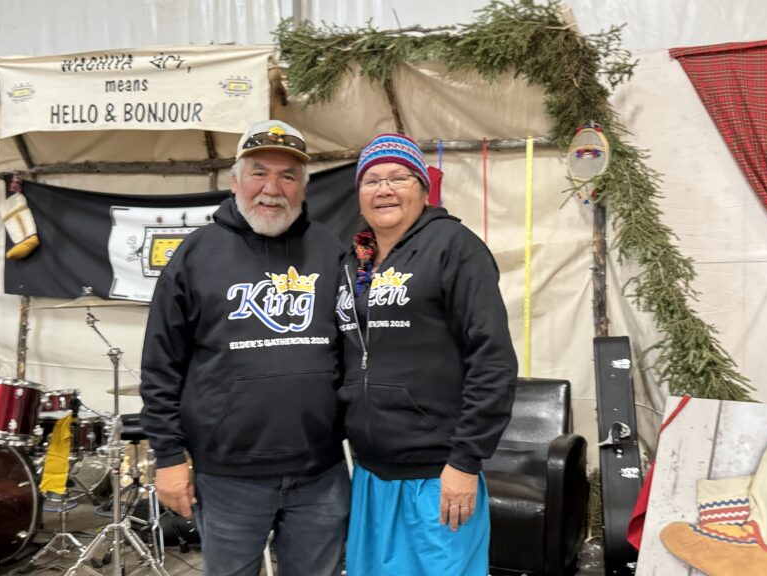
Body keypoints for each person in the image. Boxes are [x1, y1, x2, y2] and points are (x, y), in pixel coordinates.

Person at [141, 120, 350, 576]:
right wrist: (169, 459)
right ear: (235, 180)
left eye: (288, 176)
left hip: (321, 474)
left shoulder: (331, 250)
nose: (272, 188)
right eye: (258, 172)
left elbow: (356, 349)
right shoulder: (196, 255)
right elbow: (160, 367)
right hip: (227, 477)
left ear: (303, 187)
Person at [336, 133, 519, 575]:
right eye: (371, 180)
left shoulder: (455, 248)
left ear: (422, 186)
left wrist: (464, 461)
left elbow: (492, 360)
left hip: (437, 476)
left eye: (398, 177)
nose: (384, 189)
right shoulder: (352, 261)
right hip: (372, 474)